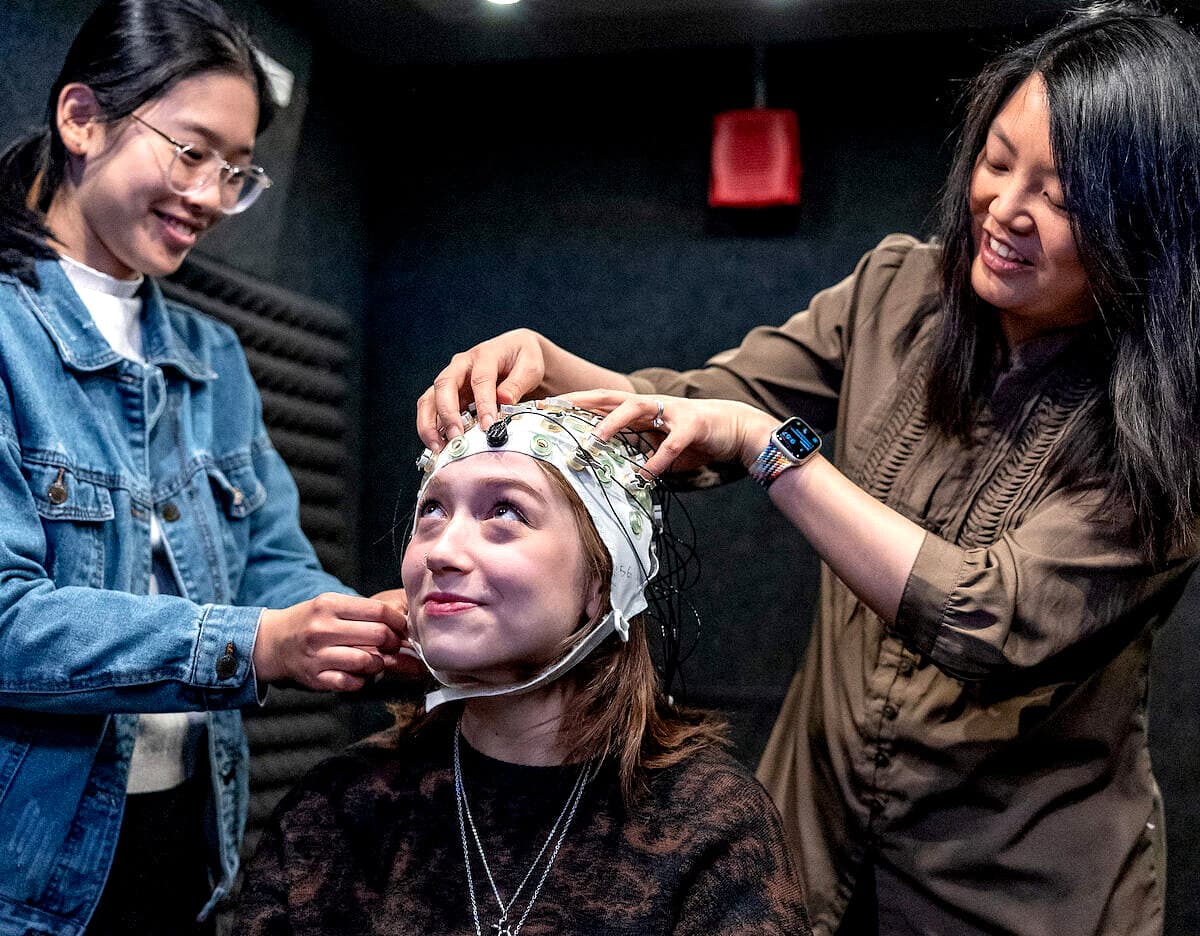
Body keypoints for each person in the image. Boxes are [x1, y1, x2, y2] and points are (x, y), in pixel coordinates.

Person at [415, 5, 1200, 935]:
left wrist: (771, 449)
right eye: (996, 162)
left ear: (1146, 224)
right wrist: (547, 366)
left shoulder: (1168, 431)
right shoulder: (897, 292)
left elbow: (990, 619)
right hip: (813, 849)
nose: (1005, 210)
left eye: (1061, 198)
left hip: (1016, 891)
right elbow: (699, 408)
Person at [0, 2, 408, 933]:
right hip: (26, 868)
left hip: (184, 841)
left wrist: (354, 625)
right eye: (191, 153)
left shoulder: (213, 358)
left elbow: (270, 565)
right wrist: (258, 644)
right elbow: (8, 620)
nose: (213, 197)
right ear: (81, 119)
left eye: (237, 172)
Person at [237, 399, 813, 936]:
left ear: (601, 582)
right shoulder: (338, 808)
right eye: (432, 511)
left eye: (505, 512)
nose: (441, 552)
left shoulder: (708, 824)